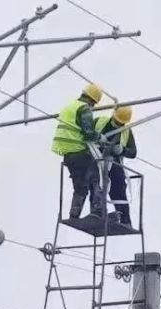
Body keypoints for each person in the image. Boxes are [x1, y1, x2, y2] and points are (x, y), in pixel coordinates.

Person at [51, 84, 105, 221]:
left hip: (68, 154)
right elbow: (88, 133)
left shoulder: (69, 107)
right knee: (95, 178)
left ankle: (74, 215)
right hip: (78, 150)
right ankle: (97, 211)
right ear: (93, 100)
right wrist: (100, 138)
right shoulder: (84, 108)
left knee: (80, 186)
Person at [94, 107, 137, 226]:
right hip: (97, 160)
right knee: (96, 187)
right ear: (113, 115)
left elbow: (133, 152)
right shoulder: (100, 122)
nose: (118, 124)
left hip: (114, 163)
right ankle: (97, 214)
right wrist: (97, 138)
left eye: (120, 123)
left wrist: (123, 150)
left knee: (119, 189)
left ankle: (125, 220)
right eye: (116, 121)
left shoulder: (126, 131)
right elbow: (85, 134)